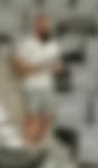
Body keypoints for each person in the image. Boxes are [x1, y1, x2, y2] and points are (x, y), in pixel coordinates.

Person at [12, 14, 64, 145]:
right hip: (31, 86)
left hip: (48, 86)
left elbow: (58, 66)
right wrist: (41, 68)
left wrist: (56, 68)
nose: (47, 29)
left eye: (48, 27)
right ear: (37, 26)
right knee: (32, 117)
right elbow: (19, 67)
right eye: (44, 26)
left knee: (47, 118)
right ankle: (25, 143)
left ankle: (36, 143)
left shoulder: (53, 46)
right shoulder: (26, 44)